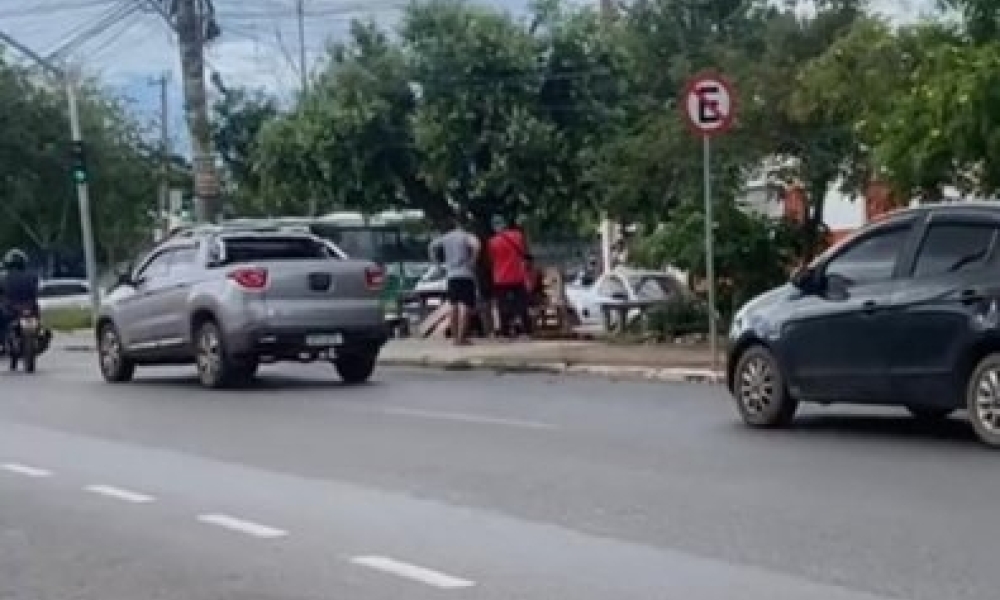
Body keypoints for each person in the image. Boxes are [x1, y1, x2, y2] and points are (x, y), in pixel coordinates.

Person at [429, 214, 481, 346]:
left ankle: (454, 338)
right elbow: (476, 246)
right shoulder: (467, 236)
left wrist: (437, 265)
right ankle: (461, 337)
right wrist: (473, 261)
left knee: (453, 306)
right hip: (465, 274)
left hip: (451, 275)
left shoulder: (446, 238)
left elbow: (431, 246)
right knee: (465, 306)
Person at [488, 215, 533, 339]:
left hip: (500, 278)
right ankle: (526, 332)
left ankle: (505, 332)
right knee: (522, 304)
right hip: (517, 276)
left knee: (503, 305)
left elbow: (493, 259)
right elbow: (524, 251)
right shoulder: (517, 236)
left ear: (494, 227)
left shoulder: (492, 241)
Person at [0, 249, 40, 352]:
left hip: (11, 308)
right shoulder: (32, 276)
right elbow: (35, 291)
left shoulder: (3, 277)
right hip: (29, 306)